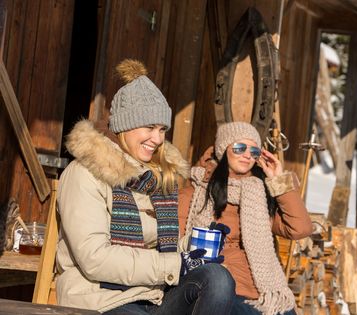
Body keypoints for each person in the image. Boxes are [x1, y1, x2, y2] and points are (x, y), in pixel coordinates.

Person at [56, 59, 235, 314]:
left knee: (218, 279)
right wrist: (176, 265)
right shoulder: (85, 174)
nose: (158, 139)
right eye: (150, 127)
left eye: (162, 129)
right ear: (123, 126)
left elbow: (163, 247)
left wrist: (194, 246)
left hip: (154, 297)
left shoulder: (155, 178)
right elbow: (95, 259)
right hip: (102, 301)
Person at [179, 122, 313, 315]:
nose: (247, 155)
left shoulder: (260, 195)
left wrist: (279, 180)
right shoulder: (196, 192)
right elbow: (175, 242)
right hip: (222, 289)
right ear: (223, 150)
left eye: (254, 151)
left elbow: (300, 228)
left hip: (265, 292)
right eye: (239, 147)